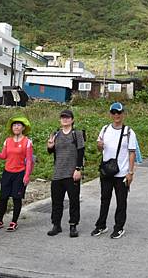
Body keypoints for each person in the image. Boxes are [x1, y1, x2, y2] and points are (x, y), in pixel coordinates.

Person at [91, 102, 137, 239]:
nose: (116, 115)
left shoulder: (128, 132)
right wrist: (99, 146)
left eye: (119, 112)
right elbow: (100, 148)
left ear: (123, 114)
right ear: (110, 114)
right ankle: (101, 225)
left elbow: (132, 153)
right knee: (104, 199)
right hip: (106, 171)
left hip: (122, 173)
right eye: (113, 112)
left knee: (121, 201)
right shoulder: (105, 129)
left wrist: (130, 172)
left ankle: (119, 227)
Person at [0, 116, 33, 232]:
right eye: (14, 125)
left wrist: (27, 175)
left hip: (20, 173)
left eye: (19, 125)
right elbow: (3, 156)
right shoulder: (8, 141)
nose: (16, 127)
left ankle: (14, 222)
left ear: (23, 128)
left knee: (17, 198)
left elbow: (29, 160)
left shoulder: (27, 142)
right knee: (3, 198)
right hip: (7, 173)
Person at [46, 109, 85, 238]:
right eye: (63, 117)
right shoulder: (56, 134)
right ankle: (56, 225)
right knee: (56, 201)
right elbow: (51, 151)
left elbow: (81, 152)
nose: (65, 119)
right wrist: (50, 146)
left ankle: (73, 225)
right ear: (60, 120)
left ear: (72, 120)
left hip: (72, 173)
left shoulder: (77, 134)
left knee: (74, 201)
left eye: (67, 117)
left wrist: (78, 169)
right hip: (57, 173)